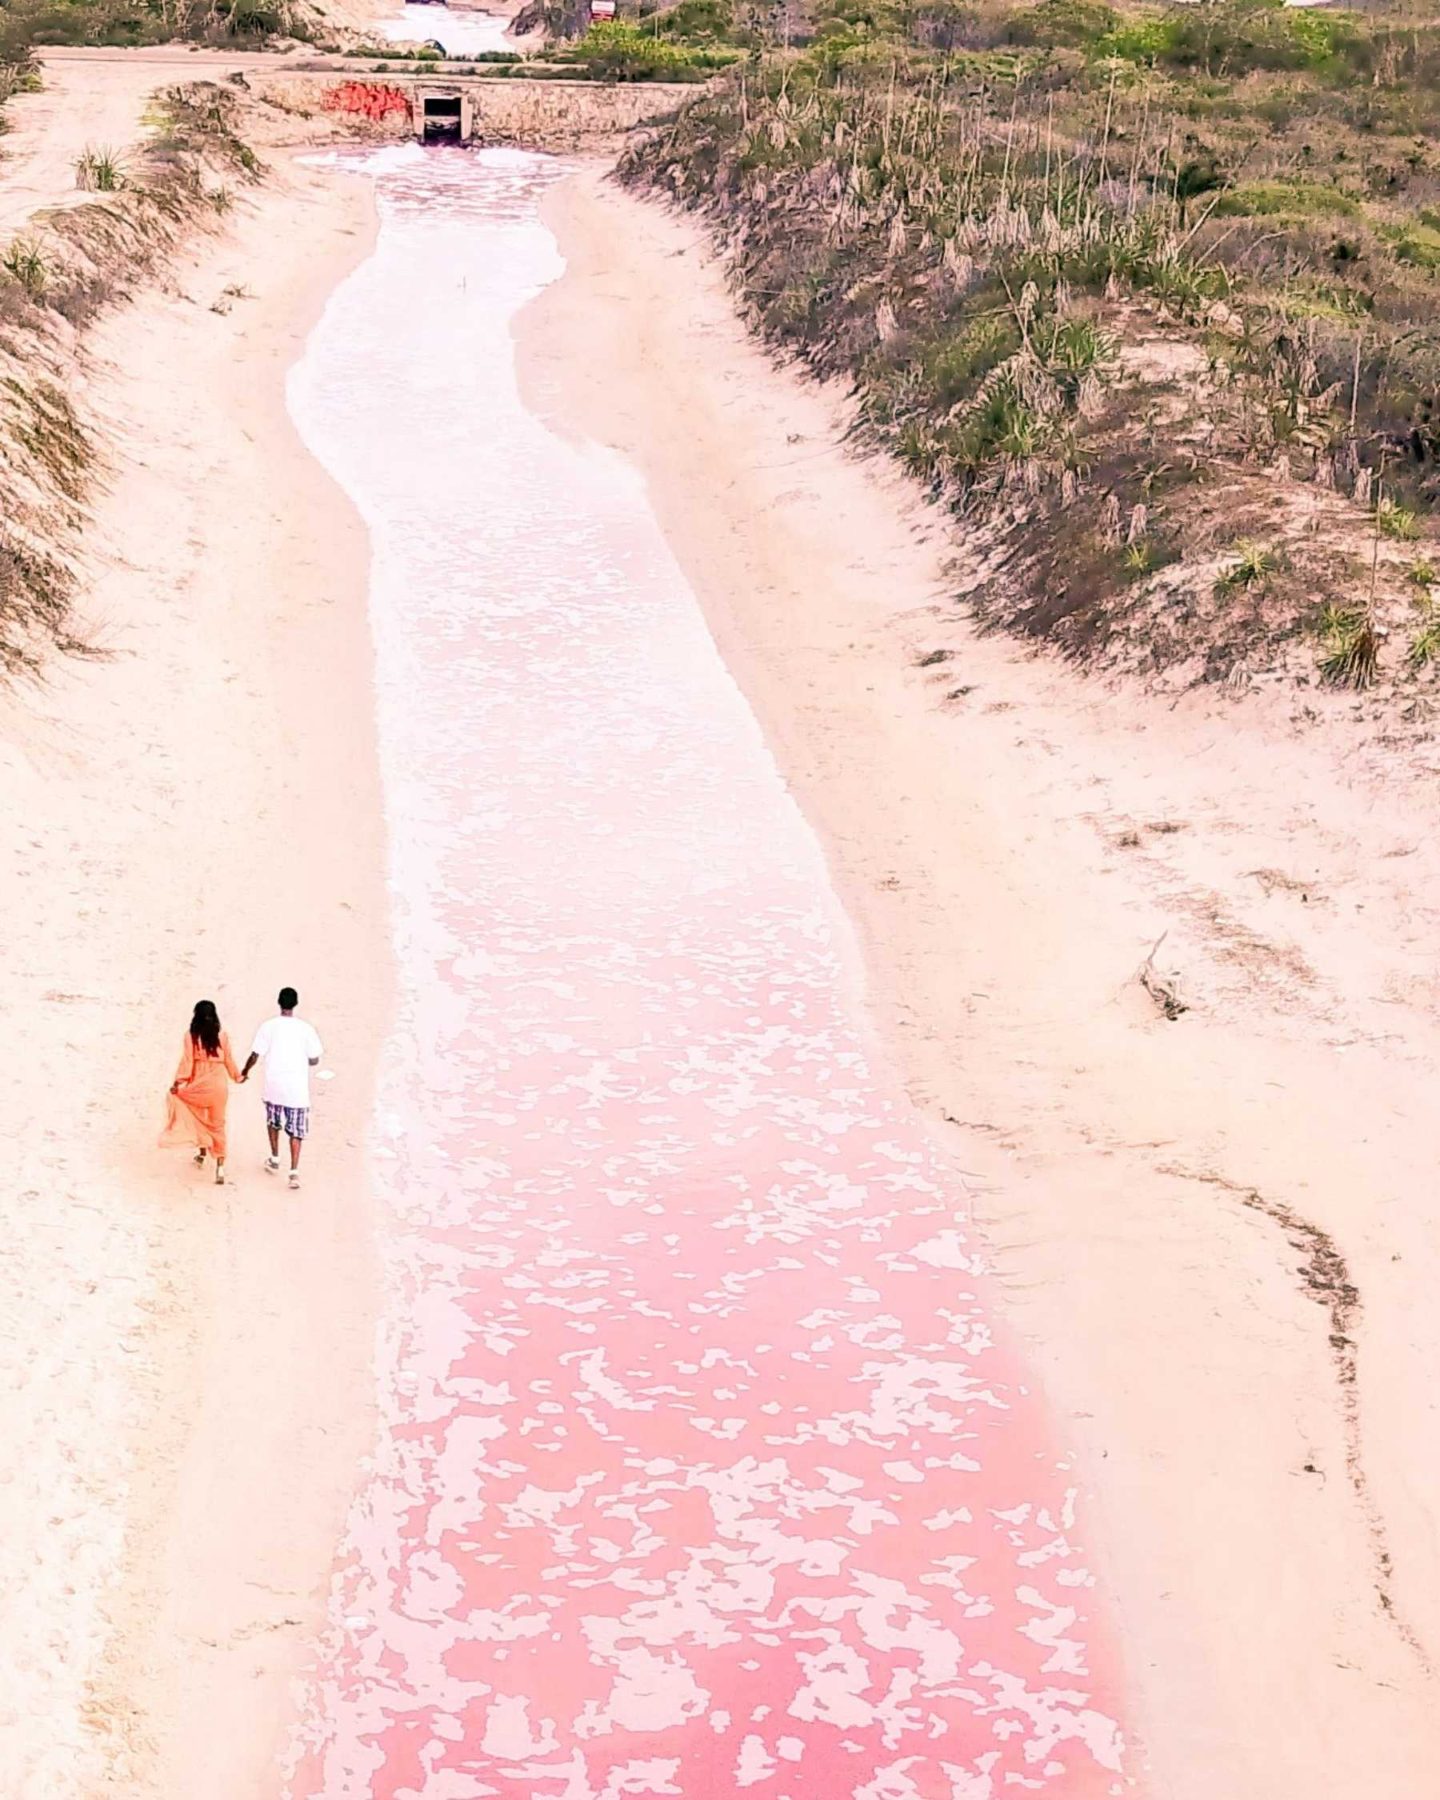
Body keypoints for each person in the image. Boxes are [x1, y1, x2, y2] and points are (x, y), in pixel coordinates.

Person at [241, 986, 322, 1191]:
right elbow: (314, 1059)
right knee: (296, 1131)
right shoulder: (306, 1029)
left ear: (279, 1002)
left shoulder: (268, 1026)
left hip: (274, 1084)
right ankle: (294, 1172)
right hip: (297, 1089)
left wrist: (245, 1071)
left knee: (273, 1122)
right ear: (295, 1004)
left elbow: (255, 1055)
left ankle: (275, 1157)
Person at [158, 1000, 241, 1185]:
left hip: (199, 1085)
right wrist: (238, 1077)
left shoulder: (191, 1036)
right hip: (219, 1086)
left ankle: (202, 1153)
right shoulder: (223, 1036)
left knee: (198, 1117)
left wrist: (178, 1083)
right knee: (218, 1124)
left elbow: (187, 1062)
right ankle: (220, 1166)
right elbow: (228, 1060)